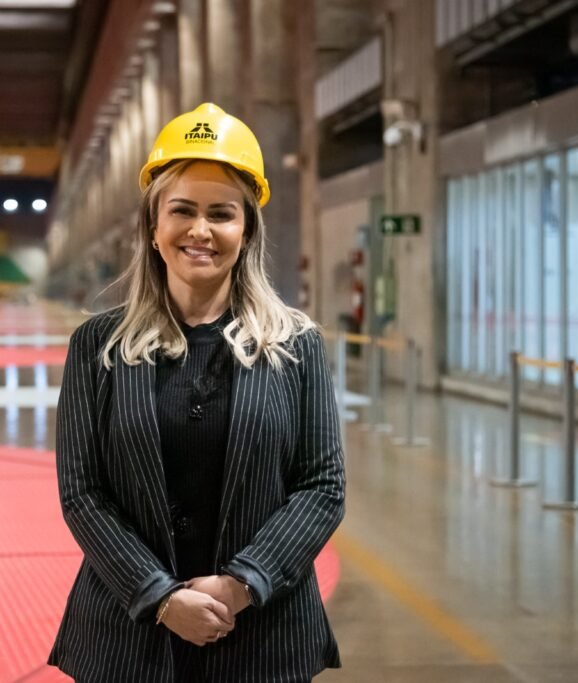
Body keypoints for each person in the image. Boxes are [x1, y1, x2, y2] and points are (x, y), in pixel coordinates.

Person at [49, 103, 346, 682]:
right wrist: (159, 596)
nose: (200, 230)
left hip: (263, 639)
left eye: (222, 213)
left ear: (247, 229)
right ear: (153, 228)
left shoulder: (296, 345)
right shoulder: (97, 347)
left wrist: (242, 585)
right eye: (182, 210)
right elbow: (83, 492)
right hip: (126, 641)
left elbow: (322, 487)